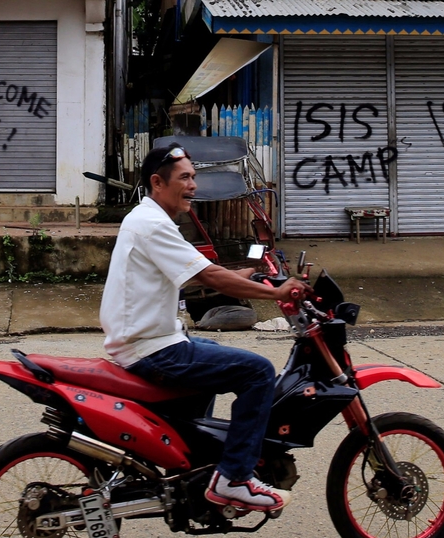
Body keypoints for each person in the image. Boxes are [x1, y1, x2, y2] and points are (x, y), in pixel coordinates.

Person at [99, 143, 311, 512]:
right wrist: (275, 291)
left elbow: (195, 275)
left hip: (148, 340)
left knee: (209, 374)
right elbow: (210, 276)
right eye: (185, 178)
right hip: (152, 348)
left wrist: (241, 275)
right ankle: (234, 478)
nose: (194, 186)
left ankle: (196, 474)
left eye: (194, 177)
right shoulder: (152, 225)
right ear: (157, 183)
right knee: (258, 372)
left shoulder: (149, 220)